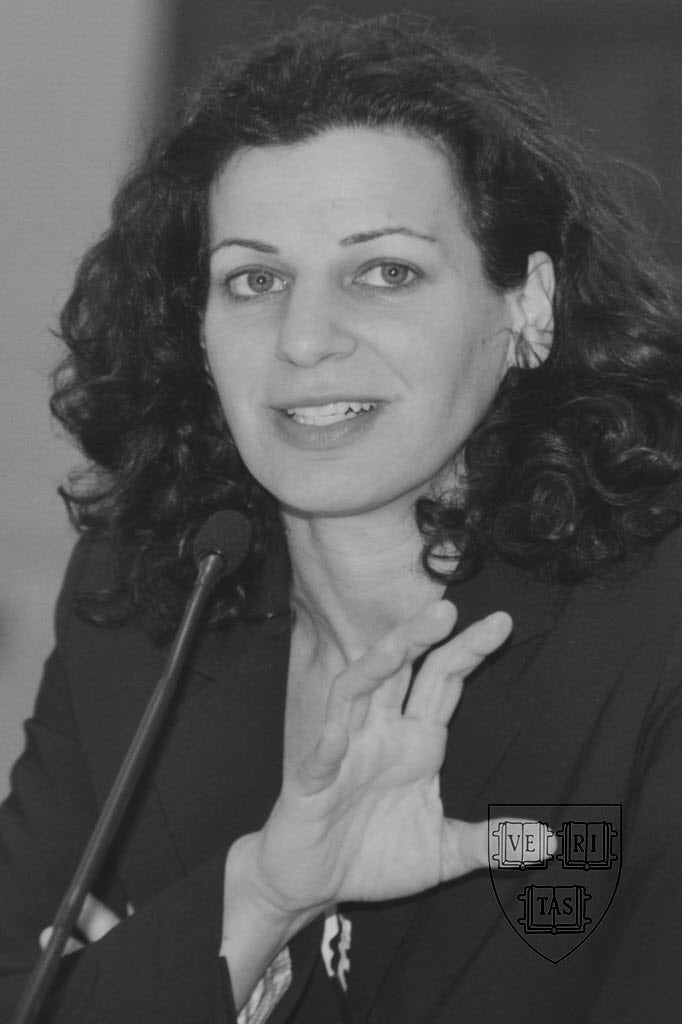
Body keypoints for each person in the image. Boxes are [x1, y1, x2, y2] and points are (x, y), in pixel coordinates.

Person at [1, 13, 681, 1023]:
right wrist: (263, 895)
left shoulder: (653, 626)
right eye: (254, 279)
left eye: (384, 271)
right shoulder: (140, 597)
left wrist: (161, 968)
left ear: (526, 308)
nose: (305, 338)